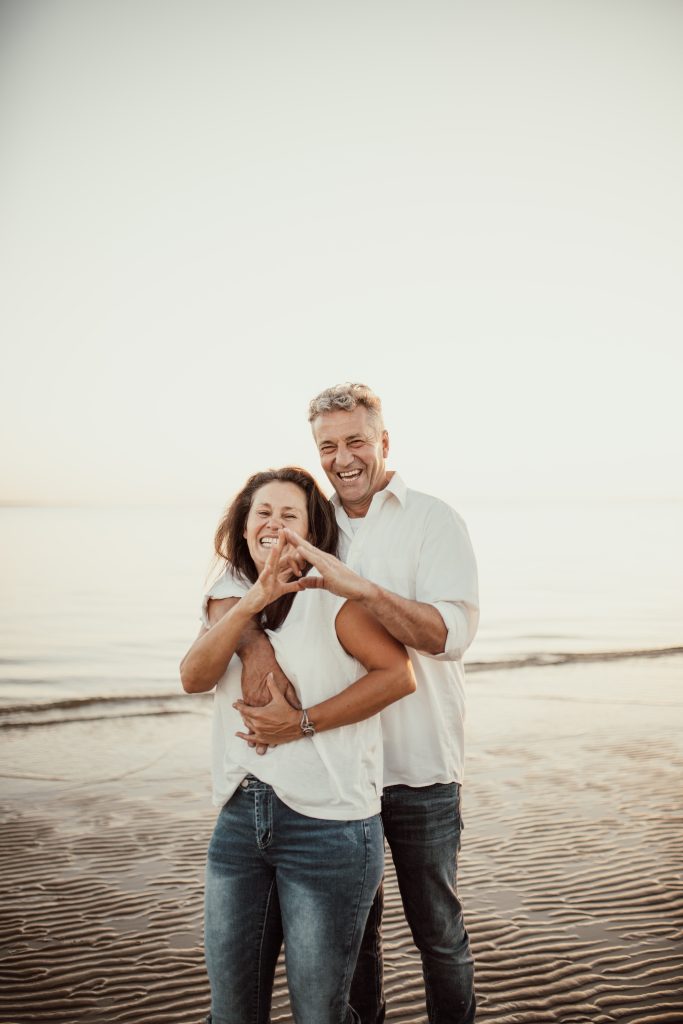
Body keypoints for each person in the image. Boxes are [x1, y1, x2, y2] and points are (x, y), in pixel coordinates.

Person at [233, 385, 479, 1024]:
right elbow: (234, 581)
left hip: (418, 766)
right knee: (354, 943)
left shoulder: (432, 520)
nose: (343, 459)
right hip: (338, 775)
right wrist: (255, 650)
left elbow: (449, 638)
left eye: (356, 442)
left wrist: (361, 589)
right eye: (328, 446)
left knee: (438, 933)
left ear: (384, 442)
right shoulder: (308, 519)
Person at [180, 466, 416, 1024]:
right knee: (231, 1012)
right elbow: (192, 676)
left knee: (319, 1012)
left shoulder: (335, 601)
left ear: (313, 531)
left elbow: (398, 675)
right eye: (263, 512)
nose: (275, 525)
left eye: (291, 515)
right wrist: (247, 615)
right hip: (241, 821)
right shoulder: (228, 598)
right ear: (243, 527)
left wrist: (302, 722)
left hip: (330, 827)